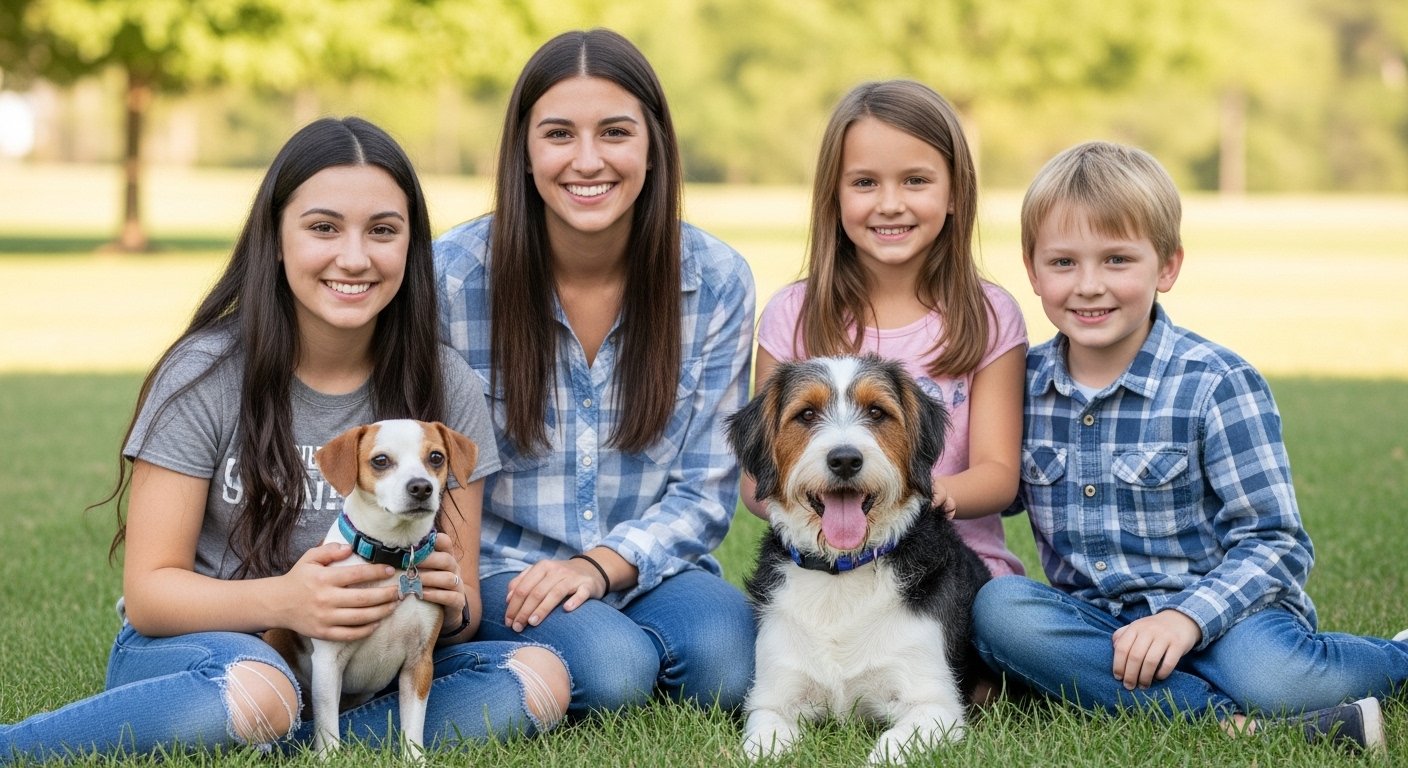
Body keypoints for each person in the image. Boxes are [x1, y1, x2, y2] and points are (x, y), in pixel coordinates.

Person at [0, 117, 569, 764]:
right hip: (207, 651)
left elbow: (460, 613)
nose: (354, 257)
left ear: (412, 249)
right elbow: (153, 594)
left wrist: (448, 593)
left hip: (365, 667)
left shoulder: (446, 388)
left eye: (383, 231)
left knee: (540, 677)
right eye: (323, 228)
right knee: (261, 687)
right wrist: (289, 601)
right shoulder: (205, 374)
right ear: (274, 238)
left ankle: (282, 738)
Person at [972, 140, 1408, 752]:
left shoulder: (1215, 383)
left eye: (1118, 260)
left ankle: (1399, 656)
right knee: (1000, 611)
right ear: (1032, 268)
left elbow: (1276, 542)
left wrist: (1186, 619)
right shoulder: (1019, 387)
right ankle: (1233, 722)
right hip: (1101, 627)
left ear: (1168, 267)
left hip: (1228, 618)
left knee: (1278, 676)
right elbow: (985, 483)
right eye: (1064, 263)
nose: (1089, 285)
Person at [433, 29, 756, 714]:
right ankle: (543, 652)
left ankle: (605, 639)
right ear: (523, 150)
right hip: (500, 569)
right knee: (613, 671)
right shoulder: (452, 280)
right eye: (558, 135)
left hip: (649, 567)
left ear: (652, 146)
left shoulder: (717, 280)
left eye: (614, 132)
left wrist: (598, 568)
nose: (587, 161)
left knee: (728, 665)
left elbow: (705, 491)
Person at [744, 80, 1028, 583]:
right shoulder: (794, 313)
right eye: (865, 183)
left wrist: (907, 500)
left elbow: (999, 474)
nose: (890, 203)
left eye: (916, 181)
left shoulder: (988, 315)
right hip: (823, 577)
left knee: (1011, 620)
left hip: (957, 576)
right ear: (833, 196)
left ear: (955, 193)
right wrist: (831, 514)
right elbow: (758, 478)